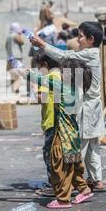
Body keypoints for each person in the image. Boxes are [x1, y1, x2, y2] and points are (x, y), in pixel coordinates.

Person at [30, 22, 106, 192]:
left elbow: (64, 56)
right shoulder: (90, 53)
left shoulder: (90, 54)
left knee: (76, 148)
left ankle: (67, 185)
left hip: (86, 109)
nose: (78, 40)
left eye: (80, 36)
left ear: (91, 39)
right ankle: (96, 180)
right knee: (92, 147)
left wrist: (42, 44)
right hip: (92, 107)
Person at [22, 59, 94, 208]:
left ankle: (63, 199)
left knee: (60, 167)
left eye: (63, 71)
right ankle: (84, 189)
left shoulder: (61, 86)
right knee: (73, 165)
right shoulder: (75, 89)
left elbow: (39, 79)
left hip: (62, 134)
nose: (60, 73)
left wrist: (25, 72)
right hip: (73, 133)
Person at [33, 50, 61, 196]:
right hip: (59, 122)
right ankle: (63, 183)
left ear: (45, 64)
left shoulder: (48, 78)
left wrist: (34, 88)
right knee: (58, 153)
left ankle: (55, 185)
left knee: (49, 154)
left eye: (39, 67)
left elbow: (41, 98)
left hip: (51, 121)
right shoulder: (60, 75)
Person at [5, 22, 25, 94]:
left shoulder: (8, 36)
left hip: (10, 58)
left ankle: (14, 93)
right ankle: (16, 92)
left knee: (13, 77)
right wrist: (20, 33)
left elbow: (6, 47)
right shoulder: (16, 35)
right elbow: (22, 42)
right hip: (17, 59)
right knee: (18, 77)